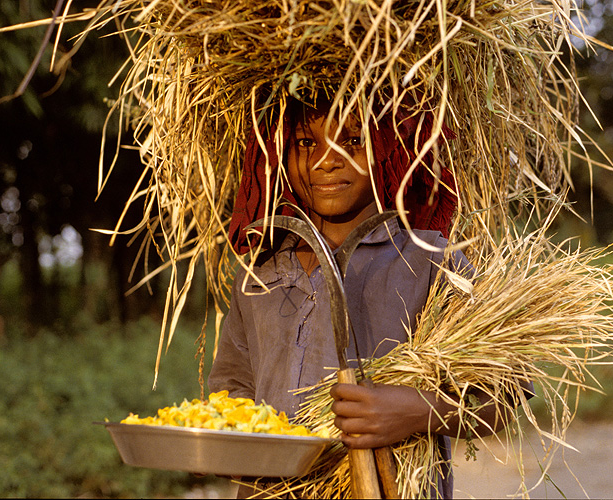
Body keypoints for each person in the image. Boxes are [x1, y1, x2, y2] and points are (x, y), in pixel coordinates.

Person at [208, 95, 513, 498]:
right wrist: (212, 442)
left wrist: (416, 411)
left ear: (389, 150)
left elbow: (505, 394)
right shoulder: (259, 273)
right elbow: (230, 390)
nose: (325, 161)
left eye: (352, 141)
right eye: (305, 143)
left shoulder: (431, 262)